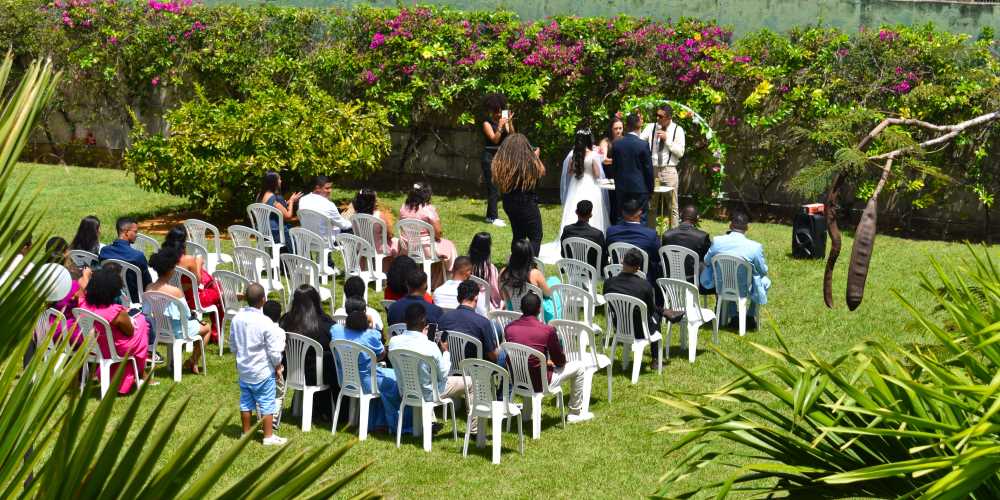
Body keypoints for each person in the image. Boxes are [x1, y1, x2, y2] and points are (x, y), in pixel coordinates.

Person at [503, 293, 584, 420]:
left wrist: (544, 362)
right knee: (579, 367)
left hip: (518, 378)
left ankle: (526, 414)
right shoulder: (547, 330)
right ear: (539, 309)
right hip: (540, 382)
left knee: (529, 366)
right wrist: (551, 362)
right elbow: (560, 361)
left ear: (521, 308)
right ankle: (575, 412)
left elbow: (521, 354)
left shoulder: (509, 328)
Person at [330, 297, 400, 432]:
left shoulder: (336, 330)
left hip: (345, 380)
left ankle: (378, 422)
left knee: (384, 378)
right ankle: (391, 423)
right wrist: (371, 324)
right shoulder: (371, 335)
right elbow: (381, 354)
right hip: (367, 382)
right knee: (395, 380)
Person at [231, 283, 286, 445]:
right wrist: (277, 365)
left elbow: (233, 344)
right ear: (263, 300)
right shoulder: (265, 322)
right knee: (267, 402)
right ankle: (268, 436)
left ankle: (245, 433)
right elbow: (273, 350)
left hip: (244, 368)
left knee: (246, 402)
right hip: (262, 369)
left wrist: (238, 358)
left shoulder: (237, 318)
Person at [81, 266, 149, 394]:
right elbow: (130, 332)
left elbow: (83, 291)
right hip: (114, 349)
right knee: (142, 323)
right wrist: (135, 318)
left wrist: (86, 276)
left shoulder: (84, 305)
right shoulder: (115, 311)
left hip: (94, 347)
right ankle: (139, 372)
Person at [700, 211, 771, 329]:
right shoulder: (755, 247)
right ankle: (751, 315)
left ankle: (733, 316)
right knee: (765, 281)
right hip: (744, 287)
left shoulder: (717, 241)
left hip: (722, 286)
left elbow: (707, 261)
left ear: (730, 226)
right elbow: (762, 271)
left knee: (729, 277)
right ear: (747, 227)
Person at [145, 247, 211, 373]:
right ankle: (193, 361)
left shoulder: (149, 288)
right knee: (207, 328)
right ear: (170, 271)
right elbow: (186, 314)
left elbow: (146, 312)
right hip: (179, 331)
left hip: (160, 330)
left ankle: (176, 361)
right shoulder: (176, 291)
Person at [387, 303, 467, 406]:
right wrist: (446, 352)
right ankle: (475, 422)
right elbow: (443, 375)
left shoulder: (393, 342)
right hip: (429, 394)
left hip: (405, 392)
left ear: (405, 320)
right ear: (424, 321)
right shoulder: (431, 346)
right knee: (470, 382)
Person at [280, 285, 338, 421]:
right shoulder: (324, 325)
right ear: (316, 300)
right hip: (316, 375)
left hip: (290, 371)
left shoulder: (285, 321)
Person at [162, 226, 225, 341]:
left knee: (216, 290)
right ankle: (216, 334)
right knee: (220, 296)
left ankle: (214, 332)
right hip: (191, 300)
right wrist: (199, 262)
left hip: (171, 297)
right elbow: (198, 280)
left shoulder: (163, 256)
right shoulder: (188, 260)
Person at [492, 133, 546, 256]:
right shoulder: (528, 162)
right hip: (526, 203)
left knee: (518, 234)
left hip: (509, 203)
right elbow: (542, 172)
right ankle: (529, 265)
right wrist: (535, 157)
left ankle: (516, 263)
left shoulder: (504, 163)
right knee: (535, 236)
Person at [602, 249, 661, 360]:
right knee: (657, 317)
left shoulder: (608, 283)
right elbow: (651, 311)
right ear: (638, 268)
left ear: (622, 261)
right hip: (641, 331)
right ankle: (656, 359)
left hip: (619, 327)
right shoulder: (645, 286)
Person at [398, 182, 458, 275]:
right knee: (450, 245)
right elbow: (438, 233)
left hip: (407, 248)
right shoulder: (428, 210)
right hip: (426, 250)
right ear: (427, 194)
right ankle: (451, 274)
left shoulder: (403, 208)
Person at [640, 104, 685, 226]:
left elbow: (680, 152)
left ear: (669, 117)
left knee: (672, 207)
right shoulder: (651, 127)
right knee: (651, 205)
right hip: (653, 170)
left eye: (661, 116)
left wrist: (667, 140)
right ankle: (650, 234)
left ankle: (673, 237)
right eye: (657, 115)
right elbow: (639, 142)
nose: (658, 118)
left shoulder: (678, 130)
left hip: (668, 171)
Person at [559, 128, 609, 234]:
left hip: (575, 185)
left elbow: (570, 172)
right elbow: (597, 174)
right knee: (592, 209)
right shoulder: (592, 154)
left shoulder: (574, 154)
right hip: (590, 185)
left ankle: (572, 234)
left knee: (574, 207)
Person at [44, 236, 90, 348]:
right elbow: (86, 305)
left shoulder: (41, 280)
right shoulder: (73, 285)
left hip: (43, 329)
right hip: (64, 332)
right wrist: (86, 277)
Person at [438, 280, 499, 362]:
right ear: (476, 298)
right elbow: (493, 356)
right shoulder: (483, 323)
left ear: (458, 298)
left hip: (449, 368)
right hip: (475, 372)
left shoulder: (443, 319)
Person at [500, 238, 559, 322]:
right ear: (529, 255)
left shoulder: (503, 273)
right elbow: (548, 294)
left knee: (553, 280)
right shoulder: (534, 274)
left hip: (514, 313)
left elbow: (504, 297)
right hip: (535, 315)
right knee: (555, 287)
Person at [610, 113, 653, 224]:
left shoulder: (616, 144)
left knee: (621, 217)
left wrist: (617, 184)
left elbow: (614, 168)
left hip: (622, 188)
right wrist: (650, 190)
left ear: (626, 126)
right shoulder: (643, 145)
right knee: (641, 219)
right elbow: (648, 170)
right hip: (639, 188)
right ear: (639, 125)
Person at [606, 198, 661, 284]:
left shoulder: (611, 231)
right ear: (640, 213)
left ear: (623, 213)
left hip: (617, 275)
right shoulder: (651, 234)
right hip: (642, 279)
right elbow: (657, 257)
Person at [99, 217, 152, 302]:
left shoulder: (104, 252)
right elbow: (147, 284)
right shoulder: (137, 256)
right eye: (135, 231)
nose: (136, 235)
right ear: (126, 232)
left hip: (111, 297)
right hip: (135, 300)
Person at [481, 93, 511, 227]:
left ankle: (489, 216)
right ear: (491, 110)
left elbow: (512, 136)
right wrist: (500, 126)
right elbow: (494, 140)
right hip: (489, 158)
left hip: (500, 158)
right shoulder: (486, 123)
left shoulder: (503, 121)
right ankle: (493, 217)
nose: (499, 113)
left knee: (498, 187)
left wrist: (509, 123)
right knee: (493, 188)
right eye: (497, 110)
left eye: (501, 110)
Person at [661, 205, 712, 281]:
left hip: (670, 277)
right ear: (697, 218)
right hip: (692, 279)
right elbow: (707, 259)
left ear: (681, 215)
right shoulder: (702, 236)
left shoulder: (667, 235)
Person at [343, 188, 397, 259]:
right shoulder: (379, 216)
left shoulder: (354, 217)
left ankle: (362, 269)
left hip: (361, 248)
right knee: (396, 242)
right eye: (375, 199)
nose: (377, 201)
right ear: (371, 202)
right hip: (379, 250)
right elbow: (389, 234)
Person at [255, 171, 302, 249]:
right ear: (274, 182)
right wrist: (292, 202)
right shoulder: (274, 198)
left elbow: (272, 208)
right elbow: (288, 216)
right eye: (279, 179)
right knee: (299, 238)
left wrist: (288, 202)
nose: (281, 181)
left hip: (261, 232)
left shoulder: (259, 195)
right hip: (275, 233)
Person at [298, 175, 353, 240]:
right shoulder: (329, 205)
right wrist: (354, 222)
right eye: (327, 188)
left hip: (309, 240)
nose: (330, 190)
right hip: (327, 242)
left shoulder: (303, 200)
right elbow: (344, 225)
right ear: (317, 188)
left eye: (330, 188)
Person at [559, 200, 608, 272]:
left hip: (572, 269)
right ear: (591, 215)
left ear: (576, 212)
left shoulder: (567, 230)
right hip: (592, 271)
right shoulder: (597, 234)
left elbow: (563, 253)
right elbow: (603, 257)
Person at [468, 232, 502, 309]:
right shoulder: (490, 269)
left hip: (467, 300)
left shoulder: (465, 264)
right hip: (485, 304)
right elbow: (494, 291)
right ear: (487, 248)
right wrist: (499, 304)